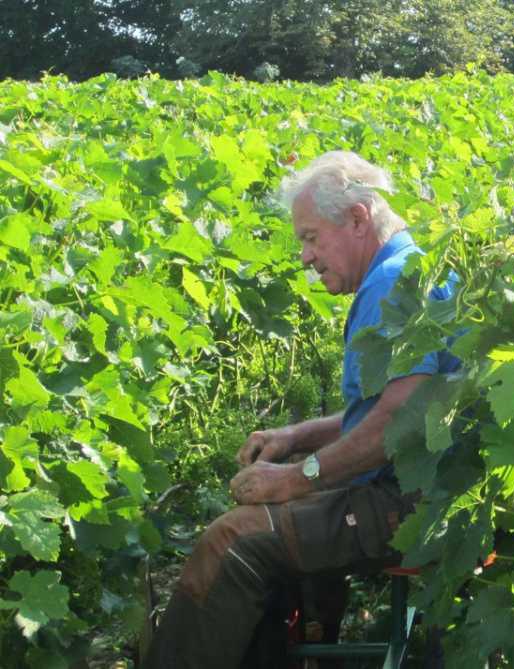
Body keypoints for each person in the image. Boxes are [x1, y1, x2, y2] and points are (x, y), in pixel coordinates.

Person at [145, 151, 460, 668]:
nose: (305, 257)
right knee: (263, 520)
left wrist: (295, 479)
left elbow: (397, 422)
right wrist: (296, 436)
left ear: (357, 219)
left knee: (231, 542)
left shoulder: (391, 284)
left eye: (312, 237)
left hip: (409, 503)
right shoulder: (408, 267)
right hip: (425, 489)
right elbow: (387, 407)